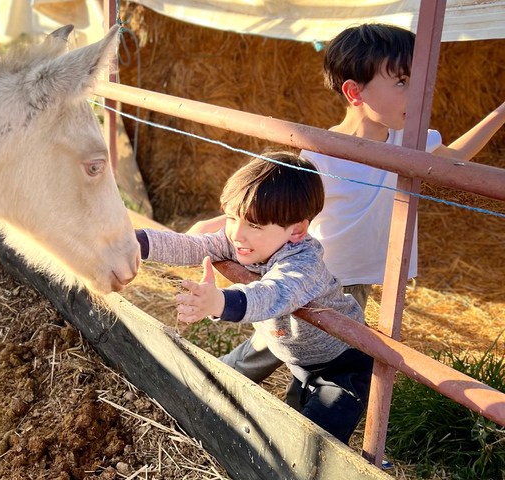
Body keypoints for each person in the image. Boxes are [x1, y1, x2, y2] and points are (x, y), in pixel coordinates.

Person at [187, 23, 505, 398]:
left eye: (418, 81)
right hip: (311, 273)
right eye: (402, 82)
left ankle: (210, 384)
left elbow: (456, 158)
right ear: (355, 92)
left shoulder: (410, 142)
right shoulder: (321, 154)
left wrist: (501, 112)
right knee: (303, 352)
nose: (419, 93)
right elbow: (278, 207)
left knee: (283, 343)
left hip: (355, 280)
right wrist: (221, 224)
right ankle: (211, 388)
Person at [136, 151, 373, 444]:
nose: (237, 234)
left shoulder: (303, 263)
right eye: (232, 218)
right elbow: (190, 245)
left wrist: (219, 302)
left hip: (342, 367)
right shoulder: (242, 240)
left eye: (255, 225)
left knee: (311, 445)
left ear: (297, 230)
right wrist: (132, 243)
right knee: (295, 423)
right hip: (297, 358)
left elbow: (269, 295)